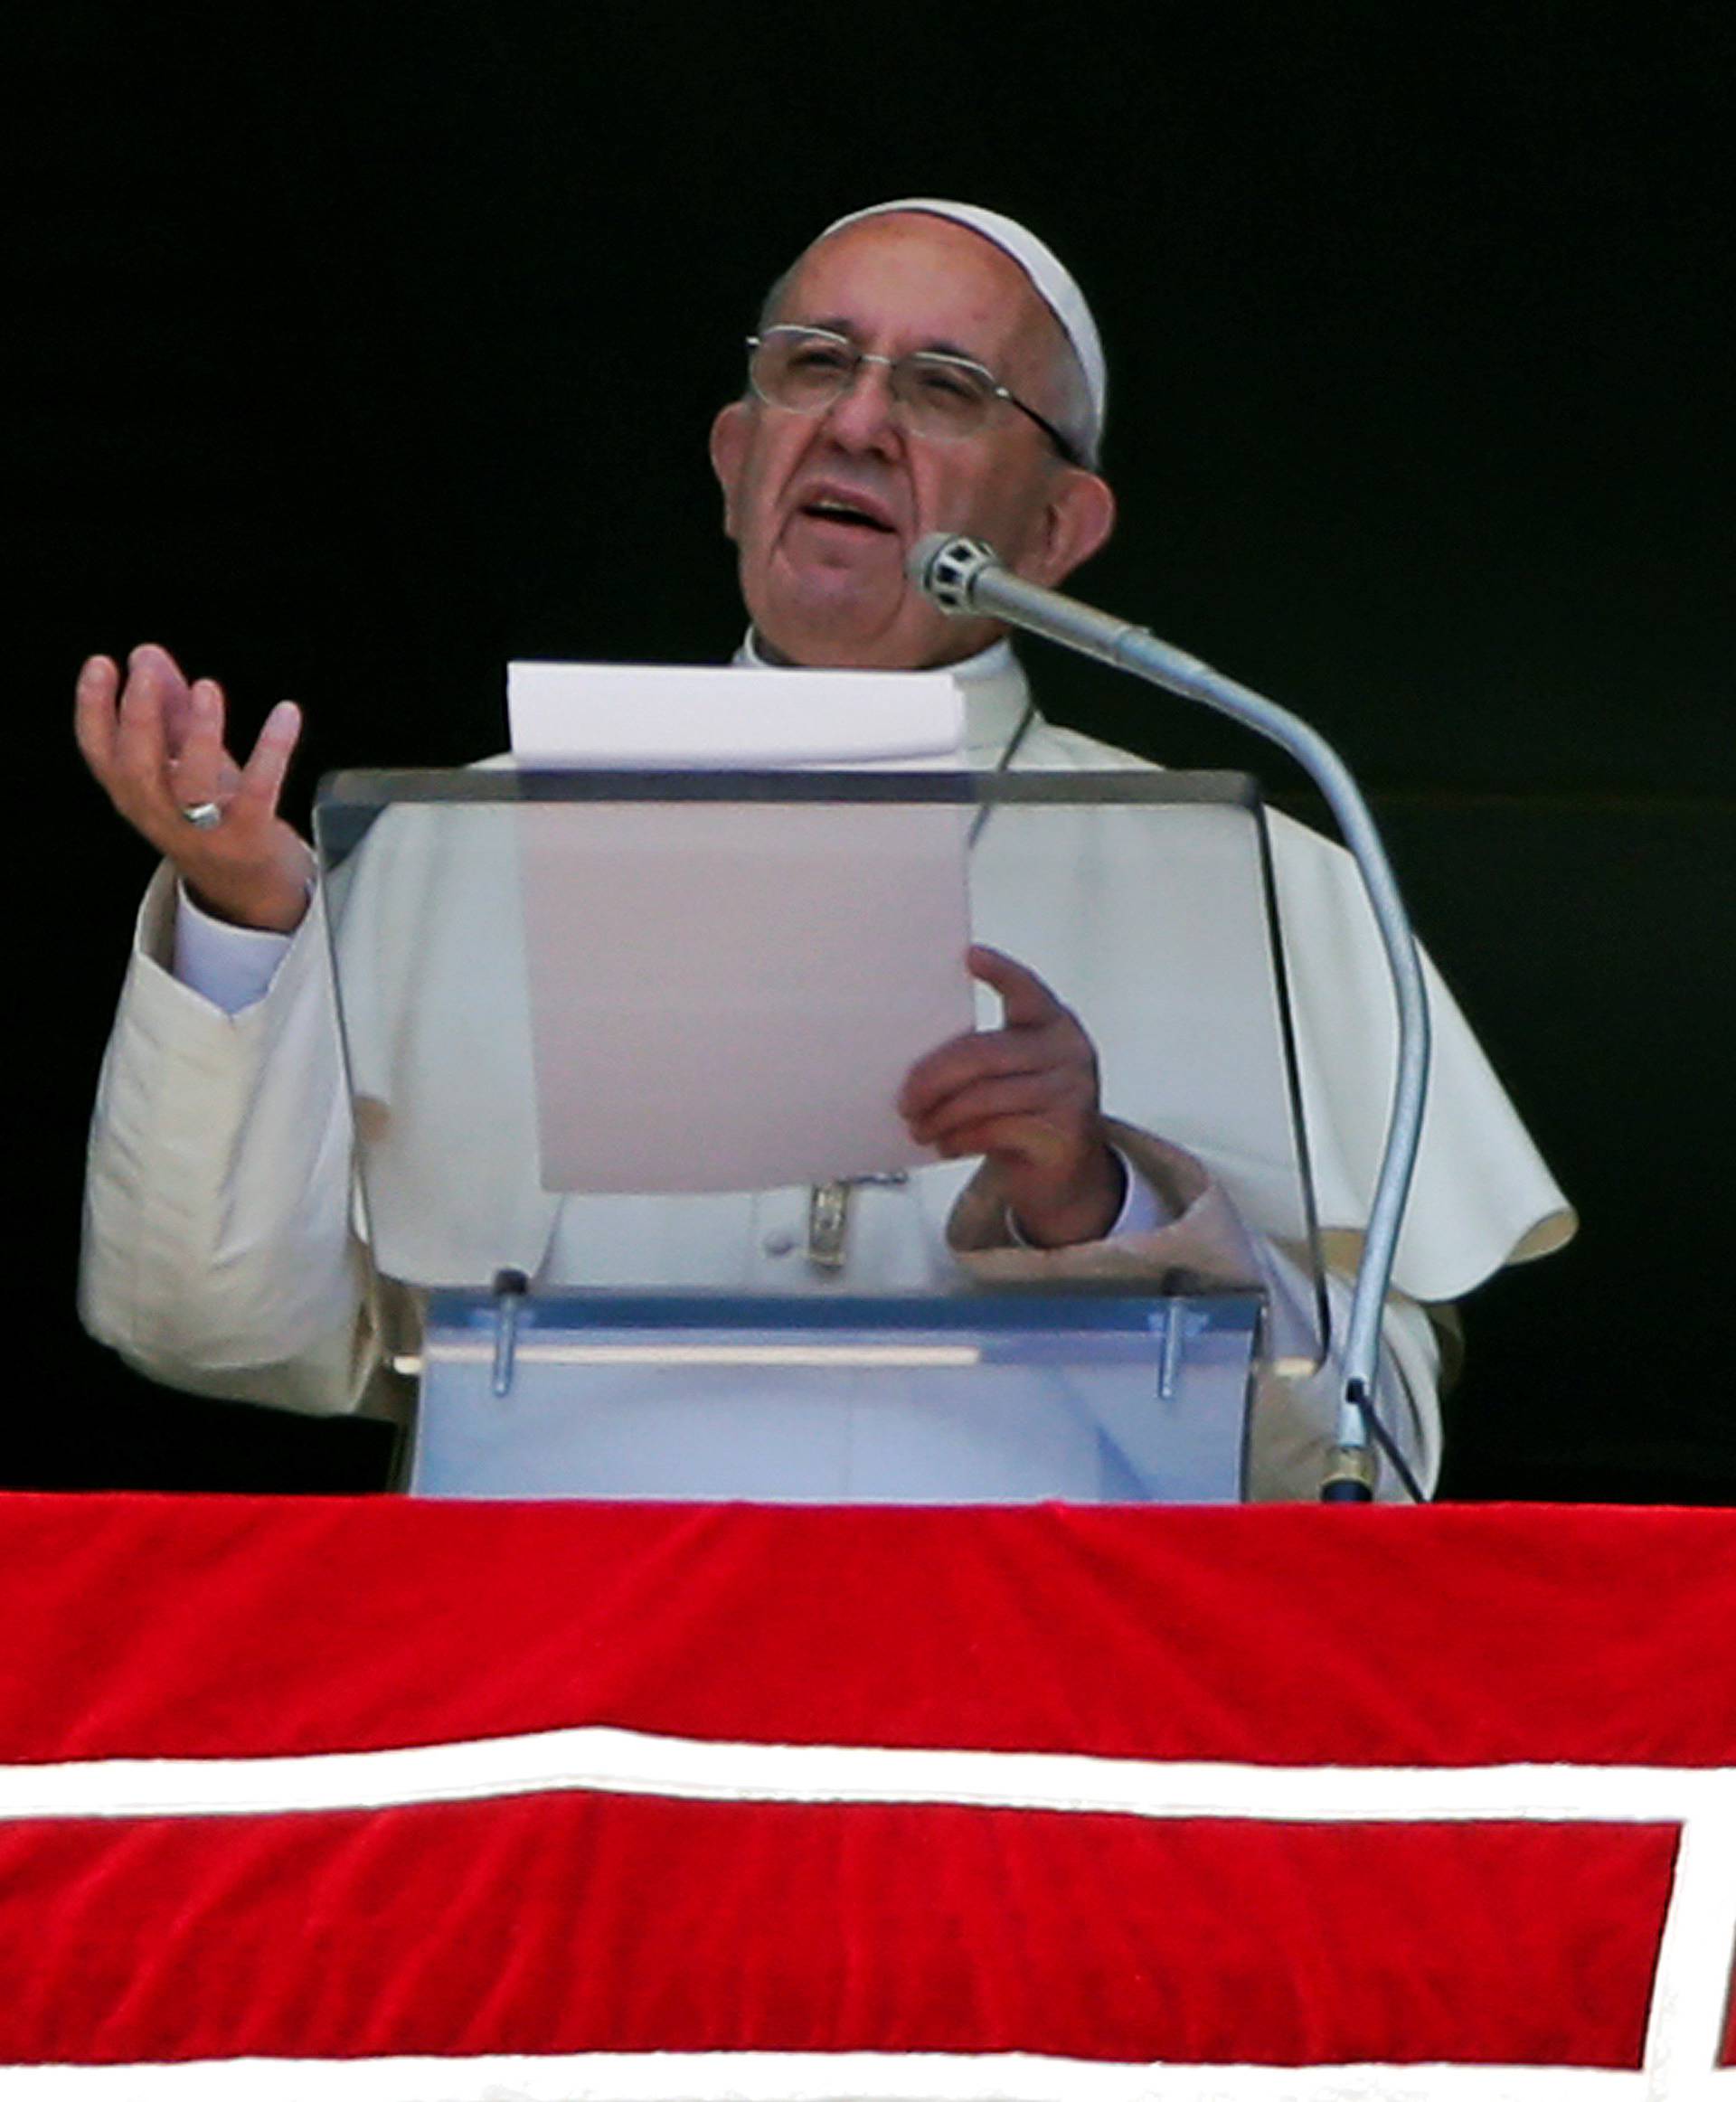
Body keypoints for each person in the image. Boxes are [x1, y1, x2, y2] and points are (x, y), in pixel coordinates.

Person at [74, 199, 1574, 1499]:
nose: (858, 420)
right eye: (814, 365)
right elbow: (216, 1331)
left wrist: (1097, 1201)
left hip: (1018, 1719)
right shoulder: (463, 843)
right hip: (566, 1702)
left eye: (944, 386)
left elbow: (1368, 1462)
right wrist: (247, 917)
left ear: (1059, 527)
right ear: (737, 460)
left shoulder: (1256, 884)